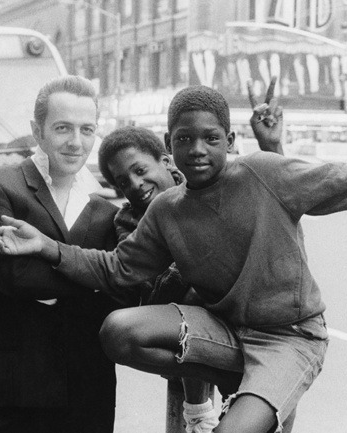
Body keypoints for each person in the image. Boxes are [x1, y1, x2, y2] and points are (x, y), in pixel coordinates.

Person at [0, 85, 347, 433]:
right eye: (185, 139)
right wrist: (46, 246)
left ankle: (249, 394)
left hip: (290, 338)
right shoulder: (165, 210)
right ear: (171, 146)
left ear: (230, 140)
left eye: (211, 138)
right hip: (223, 333)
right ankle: (229, 382)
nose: (198, 150)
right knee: (118, 330)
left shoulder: (265, 174)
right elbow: (116, 270)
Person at [94, 79, 283, 433]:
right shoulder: (130, 219)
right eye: (122, 182)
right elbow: (142, 281)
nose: (134, 185)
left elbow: (276, 200)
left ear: (166, 159)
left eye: (140, 170)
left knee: (271, 414)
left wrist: (270, 145)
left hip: (254, 321)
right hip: (188, 325)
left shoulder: (212, 178)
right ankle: (198, 409)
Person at [0, 75, 127, 433]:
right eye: (63, 128)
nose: (76, 142)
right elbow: (16, 278)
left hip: (89, 385)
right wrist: (99, 276)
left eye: (87, 129)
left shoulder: (106, 210)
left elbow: (124, 286)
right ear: (38, 131)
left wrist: (104, 278)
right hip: (17, 384)